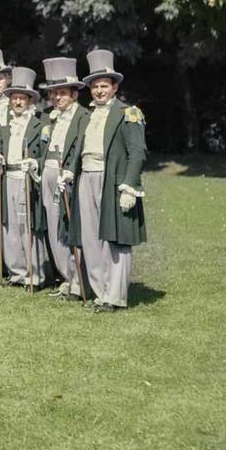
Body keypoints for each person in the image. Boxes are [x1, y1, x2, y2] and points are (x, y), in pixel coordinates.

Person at [67, 49, 147, 312]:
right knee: (90, 237)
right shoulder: (86, 116)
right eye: (95, 87)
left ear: (115, 88)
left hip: (112, 179)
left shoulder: (128, 113)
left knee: (115, 239)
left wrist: (129, 186)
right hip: (86, 177)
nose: (99, 91)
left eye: (104, 86)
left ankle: (114, 296)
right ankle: (100, 292)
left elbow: (137, 152)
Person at [38, 56, 90, 300]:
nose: (57, 98)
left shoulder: (82, 117)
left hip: (67, 176)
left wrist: (69, 171)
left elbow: (80, 148)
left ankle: (80, 281)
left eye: (62, 93)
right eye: (54, 94)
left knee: (68, 227)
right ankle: (66, 278)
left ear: (75, 94)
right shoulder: (51, 116)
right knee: (53, 226)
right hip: (48, 173)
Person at [0, 66, 47, 288]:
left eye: (22, 98)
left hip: (28, 178)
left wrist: (34, 164)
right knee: (10, 226)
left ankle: (35, 275)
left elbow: (45, 153)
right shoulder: (5, 127)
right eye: (14, 98)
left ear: (29, 100)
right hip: (9, 177)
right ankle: (15, 272)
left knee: (28, 225)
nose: (17, 102)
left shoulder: (39, 124)